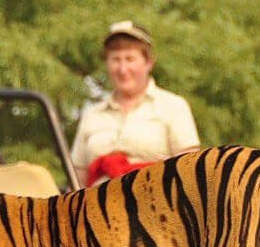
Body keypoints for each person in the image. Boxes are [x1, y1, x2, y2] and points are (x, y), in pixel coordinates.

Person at [70, 21, 201, 187]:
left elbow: (190, 175)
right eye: (115, 60)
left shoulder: (173, 107)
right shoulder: (92, 114)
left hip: (155, 207)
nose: (122, 69)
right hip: (96, 208)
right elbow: (76, 181)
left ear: (148, 63)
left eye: (130, 59)